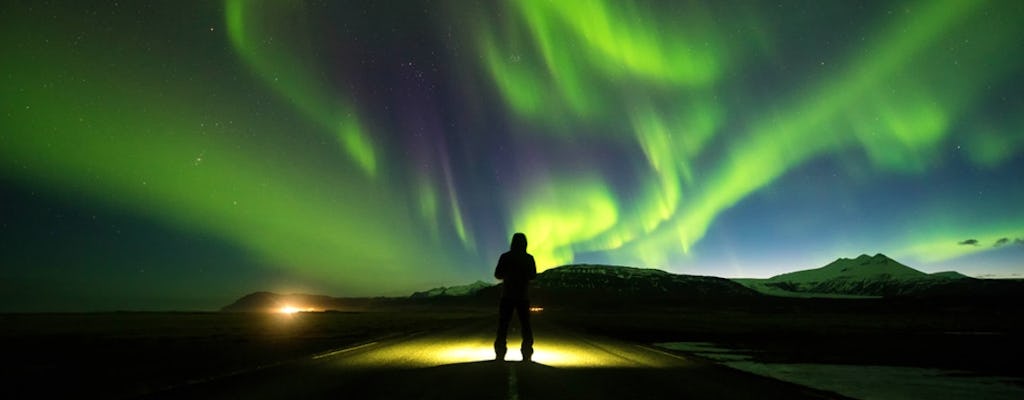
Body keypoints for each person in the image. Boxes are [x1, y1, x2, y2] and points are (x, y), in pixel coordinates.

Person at [494, 232, 537, 361]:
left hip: (507, 295)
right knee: (526, 326)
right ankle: (527, 354)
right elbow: (533, 275)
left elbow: (498, 274)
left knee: (503, 325)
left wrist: (508, 275)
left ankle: (500, 354)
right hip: (523, 296)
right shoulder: (529, 258)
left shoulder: (505, 257)